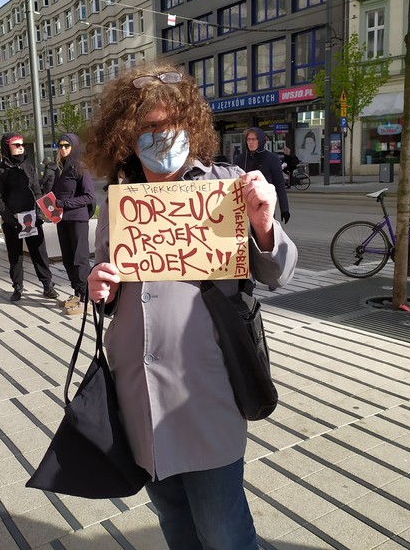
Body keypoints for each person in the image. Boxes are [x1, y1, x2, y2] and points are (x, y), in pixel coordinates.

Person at [84, 65, 297, 550]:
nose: (162, 137)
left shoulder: (228, 185)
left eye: (171, 124)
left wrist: (264, 223)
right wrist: (99, 286)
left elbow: (279, 272)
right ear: (127, 137)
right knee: (175, 524)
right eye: (149, 128)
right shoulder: (120, 200)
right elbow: (106, 281)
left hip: (204, 393)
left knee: (225, 533)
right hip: (139, 394)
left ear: (191, 125)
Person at [0, 132, 58, 303]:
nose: (21, 147)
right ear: (7, 147)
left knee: (39, 253)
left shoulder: (28, 166)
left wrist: (39, 212)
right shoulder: (0, 170)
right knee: (15, 256)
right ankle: (18, 287)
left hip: (32, 218)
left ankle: (47, 285)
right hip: (12, 221)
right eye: (17, 145)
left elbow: (37, 190)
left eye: (22, 144)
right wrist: (9, 218)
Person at [51, 133, 96, 315]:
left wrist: (65, 204)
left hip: (77, 219)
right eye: (60, 145)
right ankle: (76, 293)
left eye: (66, 146)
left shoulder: (80, 167)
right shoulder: (61, 168)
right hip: (62, 219)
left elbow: (89, 196)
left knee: (80, 258)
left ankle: (86, 298)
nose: (63, 149)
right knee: (68, 258)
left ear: (74, 147)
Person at [234, 128, 290, 223]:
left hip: (265, 204)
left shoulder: (272, 159)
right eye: (249, 139)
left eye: (254, 139)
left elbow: (280, 184)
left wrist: (284, 209)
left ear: (261, 140)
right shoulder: (239, 159)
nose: (251, 142)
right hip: (245, 207)